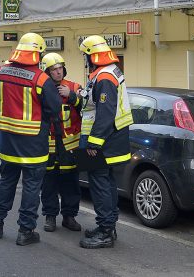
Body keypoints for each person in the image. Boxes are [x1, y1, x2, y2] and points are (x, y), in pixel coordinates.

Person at [0, 33, 61, 246]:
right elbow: (54, 109)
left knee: (6, 180)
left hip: (7, 140)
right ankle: (25, 231)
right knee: (31, 186)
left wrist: (0, 119)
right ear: (38, 53)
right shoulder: (41, 78)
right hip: (34, 142)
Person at [77, 35, 133, 248]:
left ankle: (105, 231)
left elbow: (105, 114)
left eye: (86, 55)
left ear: (92, 56)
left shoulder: (105, 77)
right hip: (110, 140)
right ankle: (108, 226)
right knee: (106, 183)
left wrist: (93, 144)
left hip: (101, 142)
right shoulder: (108, 72)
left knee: (100, 184)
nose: (85, 59)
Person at [39, 52, 83, 233]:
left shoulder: (74, 86)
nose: (58, 72)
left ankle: (69, 216)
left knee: (70, 181)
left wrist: (72, 96)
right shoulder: (41, 88)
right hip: (48, 144)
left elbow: (88, 107)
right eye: (53, 69)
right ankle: (50, 217)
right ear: (47, 72)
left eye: (60, 68)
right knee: (49, 182)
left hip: (70, 145)